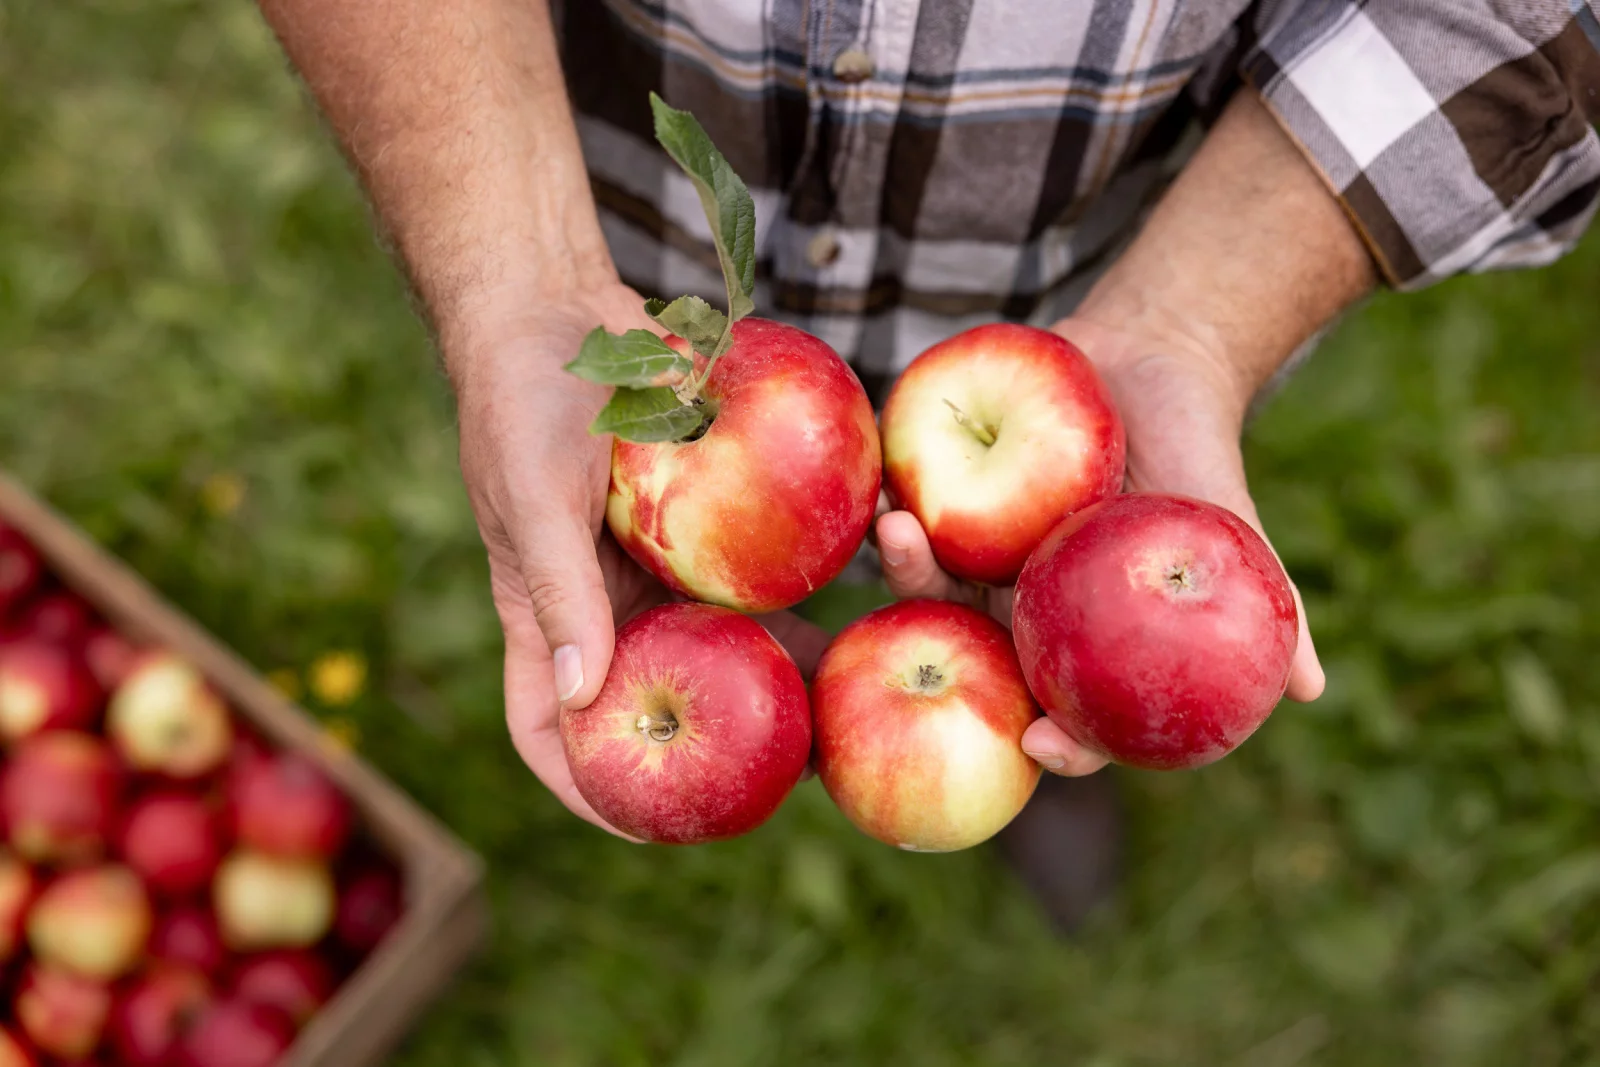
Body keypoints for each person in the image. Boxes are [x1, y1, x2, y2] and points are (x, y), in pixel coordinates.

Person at [253, 0, 1600, 926]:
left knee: (1055, 654)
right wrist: (518, 278)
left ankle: (1034, 722)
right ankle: (956, 706)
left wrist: (1196, 318)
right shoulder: (657, 398)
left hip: (1119, 252)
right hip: (629, 268)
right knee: (930, 638)